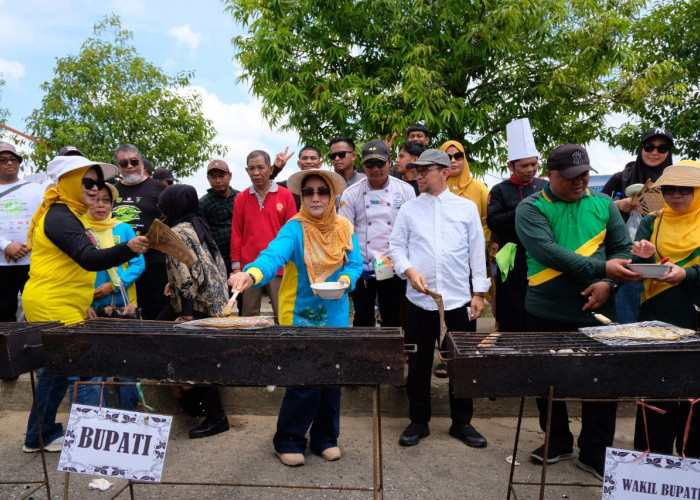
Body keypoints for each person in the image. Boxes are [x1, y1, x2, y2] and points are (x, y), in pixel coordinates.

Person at [515, 144, 641, 480]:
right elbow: (549, 252)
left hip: (600, 308)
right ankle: (556, 440)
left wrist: (608, 285)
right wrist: (603, 269)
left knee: (603, 383)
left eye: (584, 175)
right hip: (545, 308)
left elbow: (622, 250)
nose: (579, 182)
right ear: (550, 175)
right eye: (571, 177)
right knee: (546, 378)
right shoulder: (531, 208)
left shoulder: (602, 205)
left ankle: (596, 449)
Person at [229, 169, 362, 466]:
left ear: (332, 196)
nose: (315, 197)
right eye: (309, 191)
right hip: (300, 315)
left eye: (322, 191)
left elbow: (355, 264)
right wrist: (251, 274)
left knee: (331, 379)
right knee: (303, 381)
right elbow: (272, 256)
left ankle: (325, 439)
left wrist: (344, 281)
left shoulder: (344, 227)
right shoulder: (294, 227)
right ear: (301, 197)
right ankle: (288, 439)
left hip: (336, 314)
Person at [21, 155, 150, 453]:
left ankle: (39, 435)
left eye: (98, 183)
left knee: (56, 373)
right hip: (52, 303)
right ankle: (92, 441)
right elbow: (88, 258)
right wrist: (127, 248)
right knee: (84, 371)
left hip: (64, 302)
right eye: (87, 182)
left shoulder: (71, 213)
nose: (94, 189)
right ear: (66, 183)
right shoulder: (60, 214)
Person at [390, 149, 490, 449]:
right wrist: (408, 270)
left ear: (445, 172)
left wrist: (479, 293)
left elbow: (476, 252)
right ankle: (419, 421)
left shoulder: (466, 208)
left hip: (458, 301)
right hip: (420, 302)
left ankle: (462, 422)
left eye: (425, 170)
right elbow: (396, 247)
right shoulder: (409, 209)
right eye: (416, 170)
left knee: (461, 364)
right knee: (419, 363)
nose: (418, 175)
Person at [630, 160, 700, 458]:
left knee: (695, 402)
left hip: (695, 316)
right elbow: (639, 268)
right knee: (656, 396)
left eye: (686, 189)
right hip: (658, 316)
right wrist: (644, 257)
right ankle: (649, 467)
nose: (677, 195)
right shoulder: (653, 221)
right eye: (670, 189)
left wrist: (687, 274)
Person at [159, 184, 231, 439]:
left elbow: (186, 275)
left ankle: (214, 416)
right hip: (214, 304)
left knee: (193, 360)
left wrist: (187, 312)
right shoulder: (197, 225)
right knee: (199, 358)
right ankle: (197, 406)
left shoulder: (176, 232)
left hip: (197, 306)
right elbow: (206, 265)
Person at [72, 183, 145, 409]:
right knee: (93, 365)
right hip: (89, 308)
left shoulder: (123, 229)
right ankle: (94, 419)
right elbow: (71, 270)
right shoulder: (79, 230)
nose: (101, 205)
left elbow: (138, 263)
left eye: (106, 200)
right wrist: (82, 301)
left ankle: (129, 416)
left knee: (126, 363)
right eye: (96, 199)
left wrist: (114, 285)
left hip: (122, 307)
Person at [339, 139, 415, 328]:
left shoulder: (405, 190)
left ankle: (393, 355)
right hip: (363, 265)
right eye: (369, 164)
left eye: (380, 163)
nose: (375, 169)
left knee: (393, 315)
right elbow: (345, 231)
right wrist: (355, 261)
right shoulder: (351, 193)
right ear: (363, 165)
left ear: (390, 162)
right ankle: (363, 356)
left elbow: (412, 229)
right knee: (363, 316)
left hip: (394, 264)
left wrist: (404, 262)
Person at [602, 127, 674, 324]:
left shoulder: (675, 182)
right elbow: (595, 207)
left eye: (662, 148)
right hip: (625, 254)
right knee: (625, 315)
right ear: (641, 148)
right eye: (649, 146)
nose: (654, 153)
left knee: (660, 318)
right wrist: (619, 205)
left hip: (665, 255)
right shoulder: (621, 177)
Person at [487, 118, 547, 332]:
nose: (530, 169)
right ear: (510, 165)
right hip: (511, 258)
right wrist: (522, 209)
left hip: (541, 256)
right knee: (511, 312)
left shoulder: (545, 187)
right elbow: (494, 221)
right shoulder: (499, 190)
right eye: (524, 165)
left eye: (534, 164)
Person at [231, 150, 297, 318]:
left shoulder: (286, 195)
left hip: (279, 267)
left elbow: (293, 233)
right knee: (248, 316)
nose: (256, 173)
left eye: (260, 167)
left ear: (270, 168)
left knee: (283, 314)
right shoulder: (241, 198)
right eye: (251, 168)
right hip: (249, 267)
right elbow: (237, 233)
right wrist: (237, 268)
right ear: (247, 171)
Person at [112, 144, 169, 320]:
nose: (129, 166)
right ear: (118, 167)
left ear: (142, 162)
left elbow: (171, 225)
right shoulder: (111, 191)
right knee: (120, 313)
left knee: (153, 314)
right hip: (119, 262)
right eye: (124, 163)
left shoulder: (159, 189)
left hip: (153, 263)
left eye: (134, 161)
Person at [0, 142, 44, 322]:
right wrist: (6, 245)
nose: (9, 163)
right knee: (3, 315)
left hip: (33, 262)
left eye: (13, 159)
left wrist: (30, 244)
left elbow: (44, 220)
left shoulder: (37, 190)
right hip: (1, 264)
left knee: (36, 312)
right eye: (3, 160)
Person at [199, 160, 239, 274]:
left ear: (230, 176)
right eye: (213, 177)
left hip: (242, 256)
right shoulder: (203, 203)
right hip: (219, 260)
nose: (218, 180)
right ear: (208, 178)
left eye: (222, 176)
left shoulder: (240, 197)